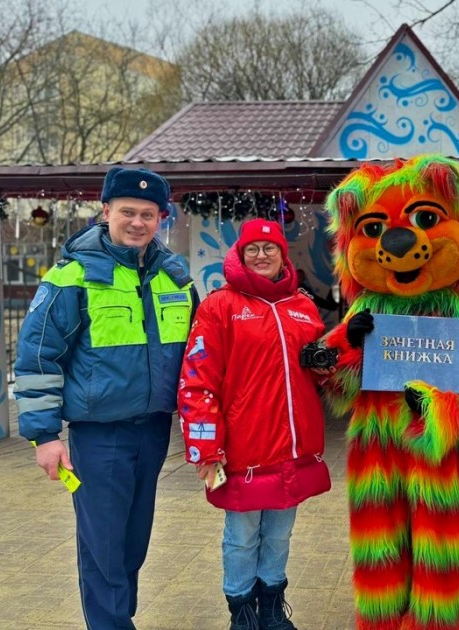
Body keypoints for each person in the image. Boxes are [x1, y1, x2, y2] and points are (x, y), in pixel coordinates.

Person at [14, 166, 199, 629]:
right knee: (103, 543)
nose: (137, 222)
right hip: (100, 437)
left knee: (133, 541)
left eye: (148, 214)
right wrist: (44, 436)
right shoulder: (72, 275)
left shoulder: (176, 278)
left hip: (155, 432)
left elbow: (203, 352)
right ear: (106, 212)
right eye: (127, 212)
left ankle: (119, 617)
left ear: (161, 218)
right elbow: (38, 356)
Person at [178, 218, 331, 630]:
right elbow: (197, 382)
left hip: (294, 450)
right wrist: (205, 449)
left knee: (279, 536)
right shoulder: (220, 306)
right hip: (243, 450)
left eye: (270, 249)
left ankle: (272, 609)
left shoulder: (302, 306)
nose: (261, 256)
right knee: (242, 537)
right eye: (253, 250)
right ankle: (242, 612)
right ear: (241, 255)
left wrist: (333, 357)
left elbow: (315, 374)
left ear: (283, 255)